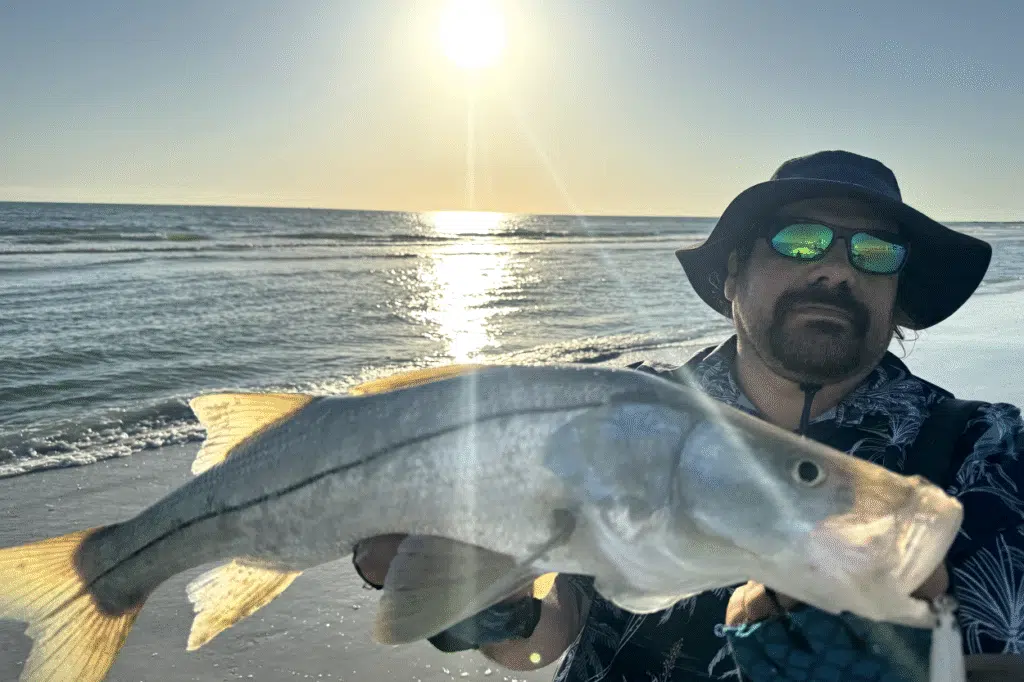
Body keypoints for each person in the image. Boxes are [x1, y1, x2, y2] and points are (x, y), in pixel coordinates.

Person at [353, 151, 1024, 680]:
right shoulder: (619, 416)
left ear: (897, 295)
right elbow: (552, 630)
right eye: (799, 240)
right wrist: (482, 599)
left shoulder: (987, 452)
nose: (835, 270)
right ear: (733, 274)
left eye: (876, 252)